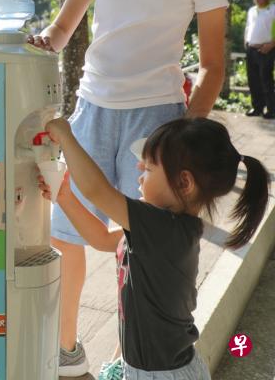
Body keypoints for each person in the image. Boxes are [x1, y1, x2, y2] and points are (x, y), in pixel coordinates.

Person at [27, 0, 228, 375]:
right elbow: (63, 28)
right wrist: (41, 41)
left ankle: (128, 357)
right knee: (66, 233)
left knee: (138, 243)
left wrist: (186, 132)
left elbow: (211, 66)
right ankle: (67, 349)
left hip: (156, 119)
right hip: (93, 107)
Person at [40, 116, 269, 380]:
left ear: (184, 183)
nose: (138, 170)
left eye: (148, 169)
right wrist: (65, 197)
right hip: (158, 369)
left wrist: (67, 138)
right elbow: (101, 238)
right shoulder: (168, 229)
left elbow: (97, 191)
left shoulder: (162, 229)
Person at [244, 0, 275, 118]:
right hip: (251, 50)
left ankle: (271, 110)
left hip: (266, 50)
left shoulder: (272, 9)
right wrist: (246, 42)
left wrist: (271, 44)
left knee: (266, 80)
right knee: (253, 80)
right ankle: (257, 108)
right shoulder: (251, 10)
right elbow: (248, 28)